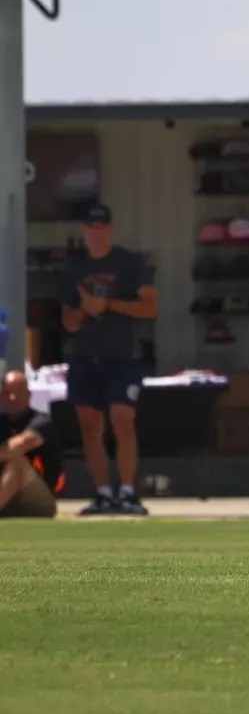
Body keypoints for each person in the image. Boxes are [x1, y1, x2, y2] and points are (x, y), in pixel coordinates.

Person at [60, 203, 157, 516]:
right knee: (90, 427)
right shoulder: (74, 269)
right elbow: (68, 323)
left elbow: (150, 308)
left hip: (121, 355)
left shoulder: (129, 262)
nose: (96, 232)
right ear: (83, 230)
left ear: (110, 229)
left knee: (122, 419)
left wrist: (109, 304)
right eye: (91, 226)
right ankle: (102, 493)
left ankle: (127, 491)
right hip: (85, 356)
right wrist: (86, 309)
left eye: (101, 226)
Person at [1, 370, 60, 518]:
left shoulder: (42, 421)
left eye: (18, 392)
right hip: (6, 500)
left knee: (17, 462)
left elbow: (20, 444)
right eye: (7, 393)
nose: (12, 398)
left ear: (29, 394)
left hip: (37, 502)